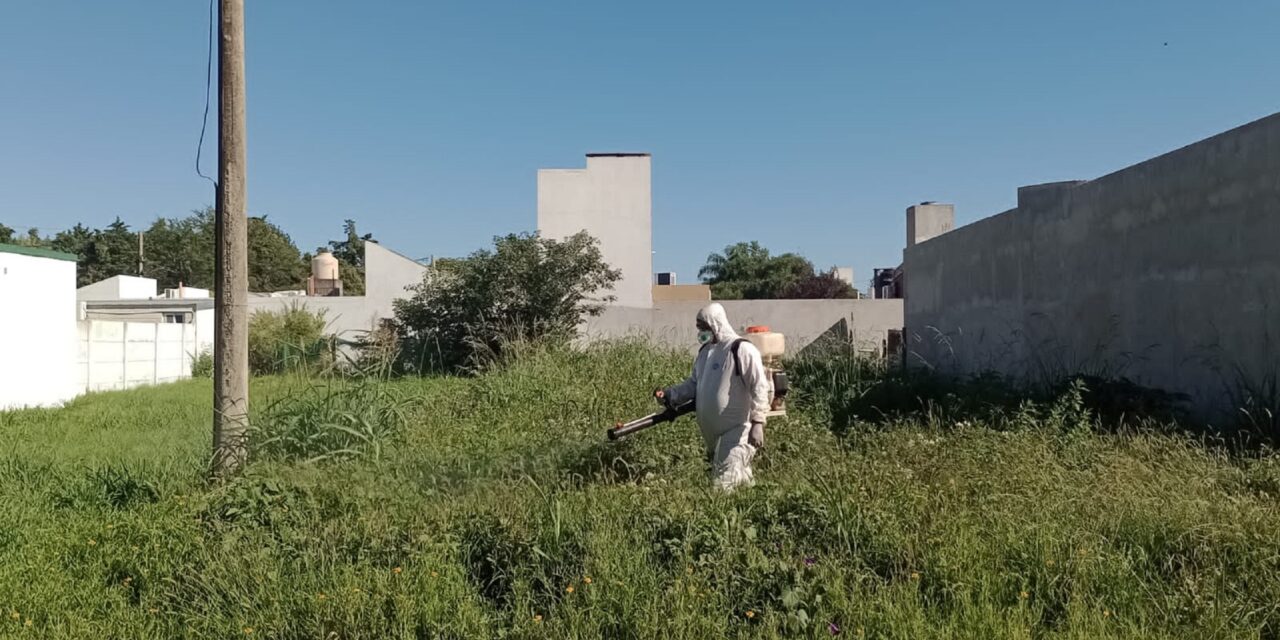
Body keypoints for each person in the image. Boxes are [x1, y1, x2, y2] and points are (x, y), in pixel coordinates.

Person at [657, 303, 771, 491]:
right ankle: (758, 507)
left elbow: (759, 386)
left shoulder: (740, 349)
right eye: (699, 327)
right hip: (713, 435)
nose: (701, 331)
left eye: (704, 327)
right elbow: (694, 384)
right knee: (741, 480)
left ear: (715, 324)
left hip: (736, 431)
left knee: (722, 487)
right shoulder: (705, 353)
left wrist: (758, 422)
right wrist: (671, 395)